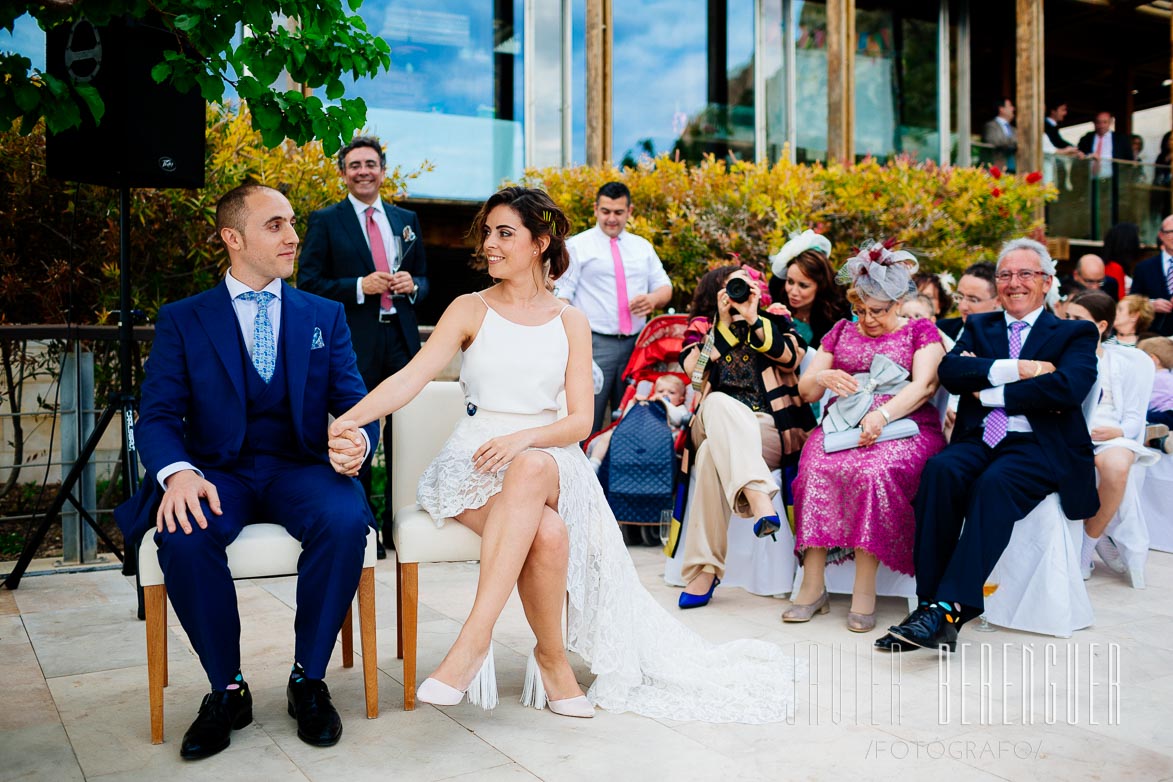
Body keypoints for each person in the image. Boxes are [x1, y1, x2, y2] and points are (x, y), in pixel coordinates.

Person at [329, 186, 801, 723]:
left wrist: (523, 438)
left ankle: (473, 641)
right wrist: (348, 419)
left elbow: (578, 421)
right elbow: (410, 378)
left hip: (549, 456)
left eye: (505, 233)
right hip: (474, 463)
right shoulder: (469, 308)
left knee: (531, 466)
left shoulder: (570, 320)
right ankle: (552, 660)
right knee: (548, 534)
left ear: (540, 243)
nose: (490, 244)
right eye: (487, 233)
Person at [114, 184, 381, 759]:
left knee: (343, 516)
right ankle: (226, 688)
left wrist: (356, 441)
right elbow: (157, 416)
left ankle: (308, 680)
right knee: (181, 530)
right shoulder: (184, 320)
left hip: (299, 469)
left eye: (292, 223)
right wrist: (178, 474)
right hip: (216, 474)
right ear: (233, 239)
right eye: (275, 225)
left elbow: (357, 404)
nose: (292, 237)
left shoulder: (323, 315)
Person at [876, 238, 1099, 653]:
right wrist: (1020, 370)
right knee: (941, 471)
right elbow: (953, 371)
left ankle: (949, 610)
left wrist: (989, 392)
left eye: (1026, 273)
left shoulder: (1073, 332)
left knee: (994, 484)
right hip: (980, 439)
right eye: (1006, 275)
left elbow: (1068, 388)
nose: (1014, 283)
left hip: (1038, 446)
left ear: (1047, 281)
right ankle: (929, 607)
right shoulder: (980, 326)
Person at [788, 244, 946, 632]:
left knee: (873, 471)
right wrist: (821, 377)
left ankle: (864, 588)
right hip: (843, 426)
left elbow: (926, 386)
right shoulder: (840, 331)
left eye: (878, 311)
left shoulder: (919, 331)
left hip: (905, 425)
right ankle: (812, 584)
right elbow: (807, 391)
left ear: (897, 303)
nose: (868, 319)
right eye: (861, 309)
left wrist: (883, 414)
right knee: (814, 469)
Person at [297, 135, 429, 554]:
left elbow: (426, 281)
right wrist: (358, 285)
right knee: (360, 429)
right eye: (354, 165)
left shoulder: (405, 218)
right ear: (343, 173)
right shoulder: (325, 220)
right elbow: (309, 284)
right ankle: (364, 530)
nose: (363, 171)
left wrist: (413, 286)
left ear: (383, 169)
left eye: (370, 163)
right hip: (355, 343)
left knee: (407, 435)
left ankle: (401, 529)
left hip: (401, 339)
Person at [675, 265, 815, 609]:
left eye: (745, 285)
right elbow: (695, 375)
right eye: (731, 286)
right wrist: (722, 325)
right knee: (720, 402)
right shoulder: (702, 329)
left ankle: (704, 571)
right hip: (712, 419)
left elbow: (789, 356)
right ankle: (759, 496)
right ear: (717, 291)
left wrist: (752, 318)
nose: (738, 292)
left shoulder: (776, 320)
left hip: (765, 428)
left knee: (709, 456)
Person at [557, 181, 673, 433]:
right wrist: (573, 341)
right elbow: (562, 297)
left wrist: (653, 300)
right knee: (588, 417)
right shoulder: (577, 246)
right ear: (596, 209)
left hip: (637, 346)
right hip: (594, 344)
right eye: (606, 211)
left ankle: (619, 471)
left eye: (618, 212)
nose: (611, 218)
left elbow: (665, 287)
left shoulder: (642, 247)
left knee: (631, 418)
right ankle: (585, 469)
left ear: (629, 211)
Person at [1063, 291, 1160, 580]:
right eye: (1066, 317)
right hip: (1069, 431)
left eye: (1077, 319)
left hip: (1111, 432)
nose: (1068, 324)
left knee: (1117, 467)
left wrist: (1116, 431)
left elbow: (1133, 417)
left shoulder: (1119, 363)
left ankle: (1088, 542)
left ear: (1101, 326)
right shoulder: (1056, 355)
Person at [586, 373, 688, 471]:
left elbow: (679, 419)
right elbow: (626, 419)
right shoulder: (648, 403)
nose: (665, 394)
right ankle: (594, 463)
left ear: (681, 399)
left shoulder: (679, 408)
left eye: (671, 393)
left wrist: (664, 402)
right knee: (609, 435)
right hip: (637, 431)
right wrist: (633, 403)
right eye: (660, 392)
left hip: (659, 437)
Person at [768, 229, 850, 349]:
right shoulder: (779, 296)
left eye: (803, 285)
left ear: (820, 285)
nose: (793, 292)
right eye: (790, 282)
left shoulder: (836, 312)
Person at [1129, 215, 1173, 336]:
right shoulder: (1144, 268)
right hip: (1153, 336)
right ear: (1161, 235)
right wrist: (1150, 304)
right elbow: (1133, 301)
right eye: (1170, 232)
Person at [938, 261, 1001, 341]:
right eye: (960, 297)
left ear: (998, 301)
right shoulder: (942, 329)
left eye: (973, 300)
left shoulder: (1009, 340)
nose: (962, 307)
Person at [981, 97, 1017, 172]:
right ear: (1001, 109)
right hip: (996, 168)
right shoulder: (991, 126)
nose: (1013, 109)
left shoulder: (1013, 129)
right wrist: (1014, 142)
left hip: (1012, 168)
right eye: (1010, 106)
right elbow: (995, 141)